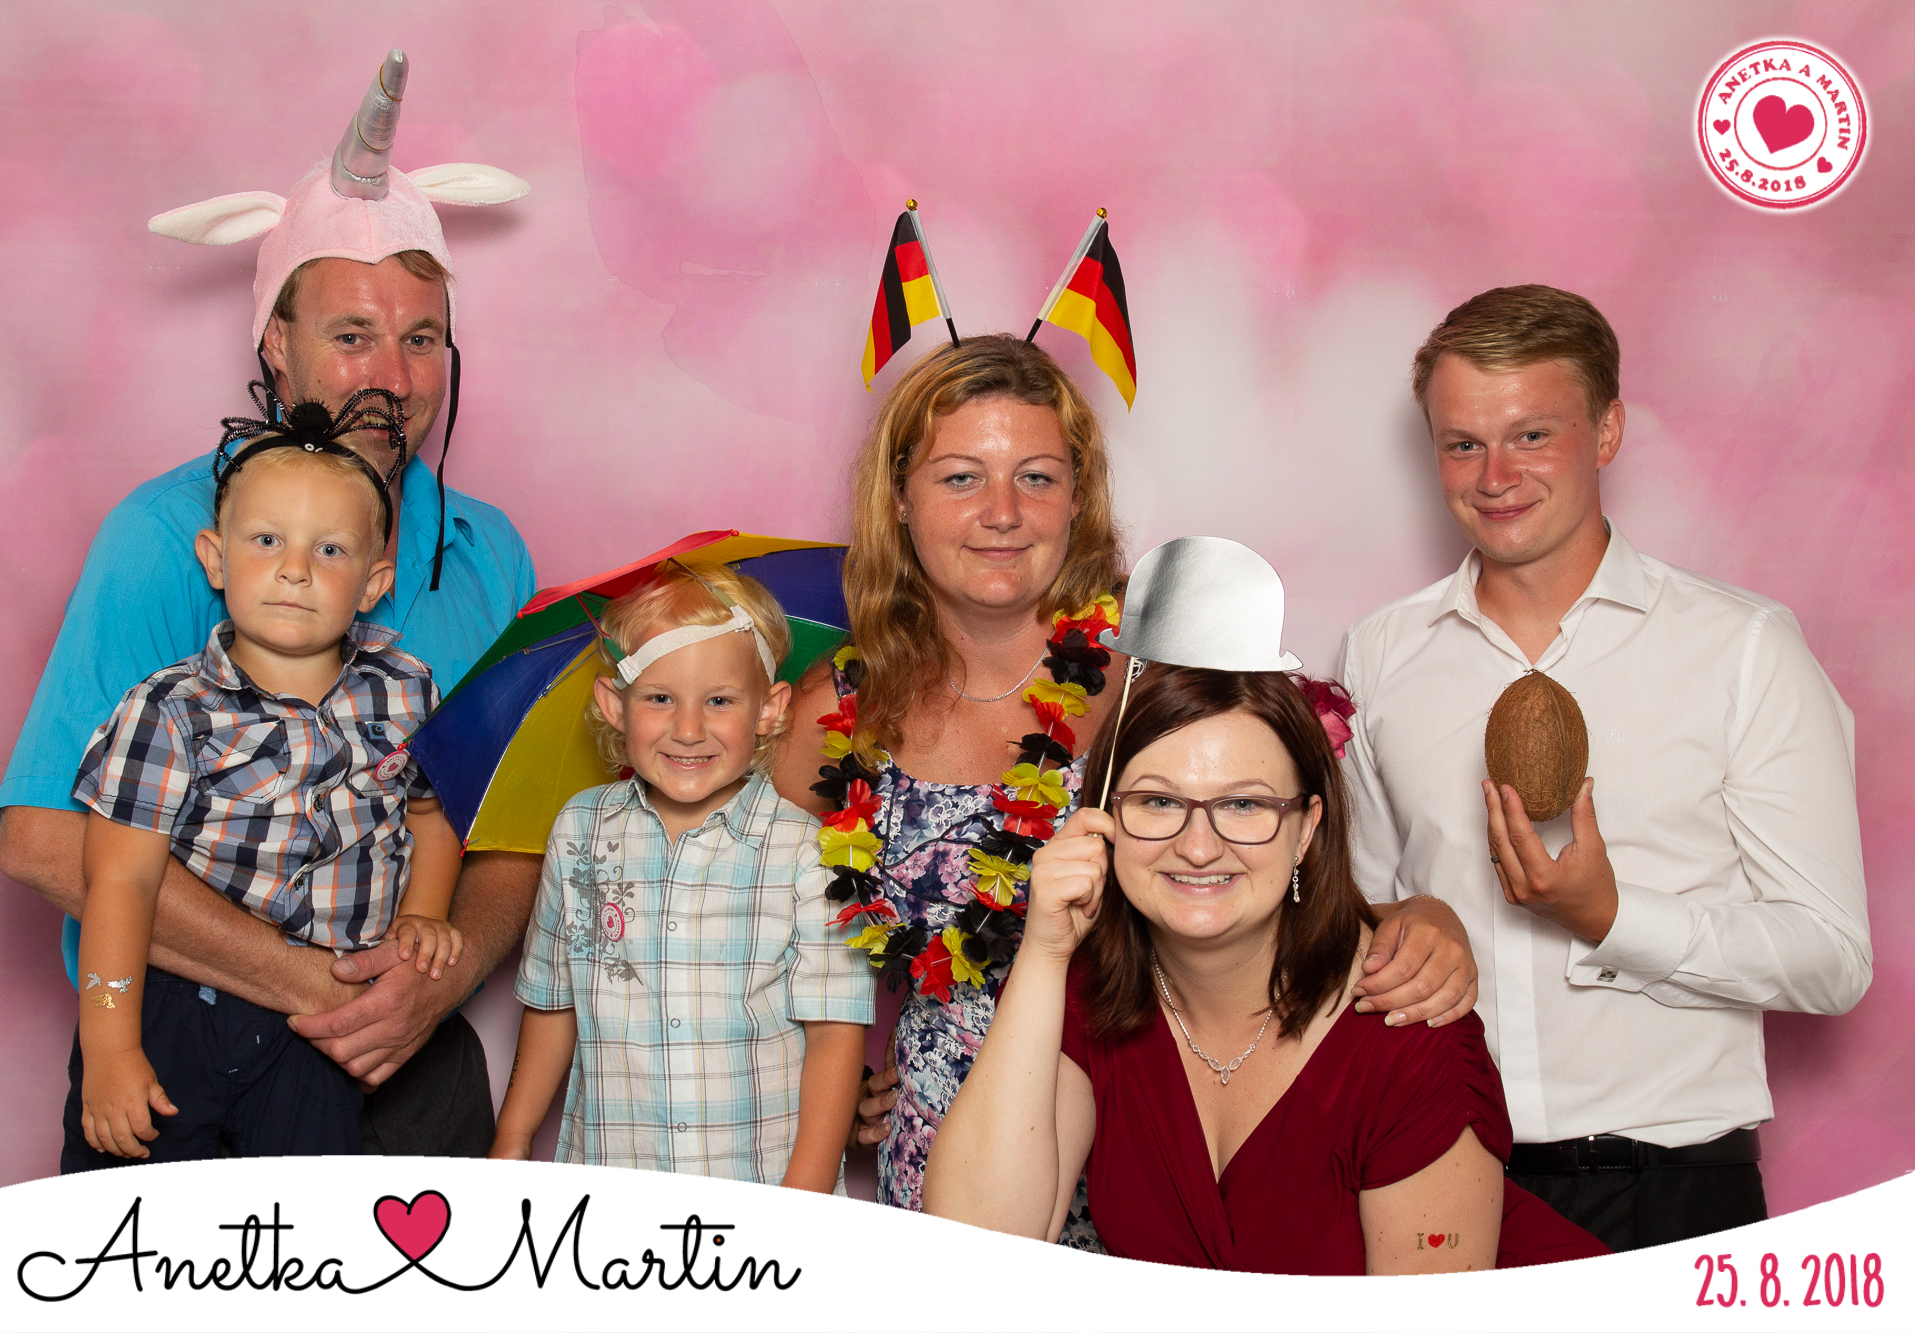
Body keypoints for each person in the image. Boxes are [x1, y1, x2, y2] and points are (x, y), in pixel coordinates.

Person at [771, 334, 1483, 1222]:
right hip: (945, 1162)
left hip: (1144, 1139)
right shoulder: (840, 709)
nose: (1002, 512)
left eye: (1036, 477)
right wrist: (832, 1088)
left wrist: (1419, 916)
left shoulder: (1163, 667)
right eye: (960, 478)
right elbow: (746, 921)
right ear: (900, 498)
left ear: (1078, 498)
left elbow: (1272, 857)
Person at [0, 53, 539, 1156]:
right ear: (276, 344)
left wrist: (443, 975)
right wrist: (321, 988)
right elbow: (48, 842)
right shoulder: (165, 537)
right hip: (193, 1054)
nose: (394, 377)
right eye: (351, 335)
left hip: (415, 1063)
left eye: (420, 338)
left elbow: (508, 829)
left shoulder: (489, 553)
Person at [1337, 284, 1871, 1250]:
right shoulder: (1380, 654)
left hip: (1672, 1197)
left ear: (1609, 429)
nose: (1495, 475)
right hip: (1442, 1187)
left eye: (1532, 435)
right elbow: (1361, 907)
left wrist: (1614, 918)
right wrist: (1399, 919)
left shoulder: (1743, 648)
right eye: (1462, 443)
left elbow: (1832, 957)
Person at [923, 656, 1604, 1272]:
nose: (1197, 847)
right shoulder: (1090, 991)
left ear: (1306, 828)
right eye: (1159, 801)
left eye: (1243, 804)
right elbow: (977, 1255)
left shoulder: (1410, 1031)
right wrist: (1044, 951)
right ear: (1104, 820)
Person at [67, 427, 461, 1166]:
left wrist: (423, 913)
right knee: (137, 1205)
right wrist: (110, 1047)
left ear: (374, 582)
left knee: (298, 1221)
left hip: (316, 1025)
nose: (295, 570)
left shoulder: (406, 691)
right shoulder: (171, 709)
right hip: (176, 1004)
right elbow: (119, 881)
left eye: (330, 550)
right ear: (216, 558)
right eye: (267, 541)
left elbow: (431, 815)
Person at [492, 565, 872, 1186]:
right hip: (613, 1183)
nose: (688, 730)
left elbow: (835, 1034)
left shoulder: (806, 852)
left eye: (719, 701)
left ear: (769, 709)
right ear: (615, 705)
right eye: (659, 698)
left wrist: (802, 1200)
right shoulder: (580, 831)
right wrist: (512, 1137)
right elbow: (554, 1003)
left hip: (757, 1188)